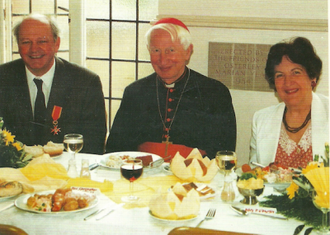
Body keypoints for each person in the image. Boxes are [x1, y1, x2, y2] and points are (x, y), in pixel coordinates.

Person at [106, 18, 236, 160]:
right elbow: (115, 148)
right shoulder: (135, 92)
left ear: (188, 52)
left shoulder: (215, 92)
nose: (162, 59)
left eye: (170, 50)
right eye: (156, 50)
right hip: (143, 176)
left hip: (194, 178)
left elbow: (224, 151)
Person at [0, 14, 107, 154]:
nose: (34, 49)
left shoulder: (86, 82)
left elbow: (94, 144)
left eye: (42, 41)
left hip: (67, 172)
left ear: (57, 44)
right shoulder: (3, 78)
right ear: (18, 46)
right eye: (26, 42)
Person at [249, 37, 329, 168]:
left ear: (312, 77)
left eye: (296, 72)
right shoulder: (261, 119)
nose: (288, 82)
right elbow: (254, 173)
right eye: (280, 75)